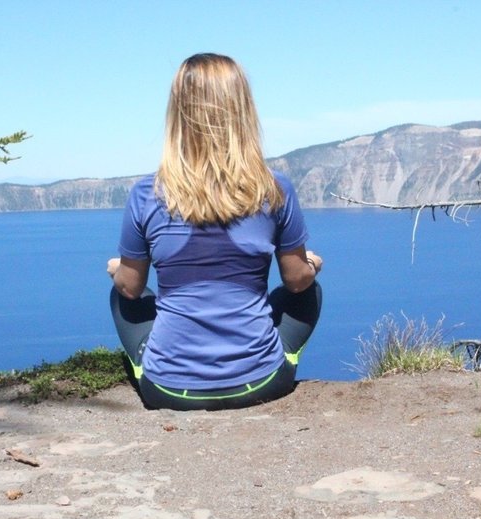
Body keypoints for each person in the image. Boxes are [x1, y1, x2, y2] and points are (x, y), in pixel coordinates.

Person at [107, 53, 322, 410]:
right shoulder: (274, 189)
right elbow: (297, 282)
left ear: (178, 113)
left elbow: (130, 288)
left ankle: (154, 364)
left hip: (169, 391)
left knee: (123, 297)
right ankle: (271, 358)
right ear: (243, 110)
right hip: (262, 383)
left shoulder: (147, 194)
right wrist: (313, 264)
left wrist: (117, 269)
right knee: (308, 292)